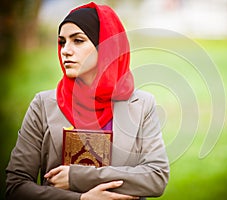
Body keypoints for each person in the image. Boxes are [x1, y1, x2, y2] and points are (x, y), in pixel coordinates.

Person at [5, 2, 169, 200]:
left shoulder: (142, 105)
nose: (65, 50)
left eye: (78, 41)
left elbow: (156, 178)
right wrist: (81, 199)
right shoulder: (44, 104)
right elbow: (16, 186)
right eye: (62, 41)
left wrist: (77, 177)